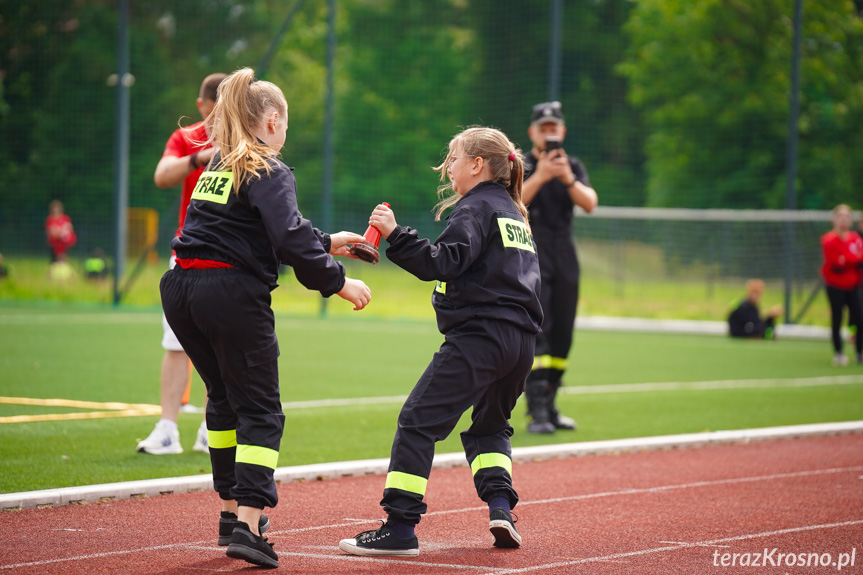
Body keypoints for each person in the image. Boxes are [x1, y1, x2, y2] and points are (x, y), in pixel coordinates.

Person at [160, 67, 371, 569]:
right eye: (288, 125)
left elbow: (261, 230)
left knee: (225, 401)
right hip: (228, 294)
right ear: (273, 121)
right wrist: (339, 281)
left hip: (181, 290)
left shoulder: (218, 164)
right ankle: (250, 528)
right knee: (262, 411)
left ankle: (231, 513)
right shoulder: (269, 167)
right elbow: (287, 239)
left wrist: (327, 241)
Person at [339, 127, 542, 557]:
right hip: (521, 344)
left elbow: (444, 262)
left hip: (480, 338)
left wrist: (395, 235)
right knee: (490, 427)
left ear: (477, 165)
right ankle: (501, 508)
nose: (447, 166)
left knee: (417, 422)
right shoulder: (513, 213)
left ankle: (399, 528)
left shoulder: (475, 206)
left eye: (453, 158)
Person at [137, 73, 227, 455]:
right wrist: (200, 157)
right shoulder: (188, 136)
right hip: (188, 251)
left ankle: (214, 427)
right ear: (203, 106)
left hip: (228, 256)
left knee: (222, 344)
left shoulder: (249, 139)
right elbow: (161, 175)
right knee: (176, 342)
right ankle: (168, 429)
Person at [520, 101, 598, 434]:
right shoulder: (519, 164)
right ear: (532, 133)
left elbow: (590, 203)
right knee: (540, 333)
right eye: (544, 128)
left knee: (563, 334)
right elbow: (513, 201)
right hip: (531, 255)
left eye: (554, 128)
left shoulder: (573, 165)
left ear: (562, 131)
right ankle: (535, 409)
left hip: (564, 254)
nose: (549, 133)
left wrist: (566, 178)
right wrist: (540, 176)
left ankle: (551, 404)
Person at [820, 204, 863, 366]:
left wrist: (847, 259)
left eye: (847, 216)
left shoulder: (855, 238)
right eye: (840, 216)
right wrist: (852, 258)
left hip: (853, 285)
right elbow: (836, 263)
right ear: (834, 219)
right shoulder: (828, 239)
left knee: (859, 318)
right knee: (837, 318)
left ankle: (859, 352)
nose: (844, 219)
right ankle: (838, 353)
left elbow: (858, 258)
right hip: (835, 285)